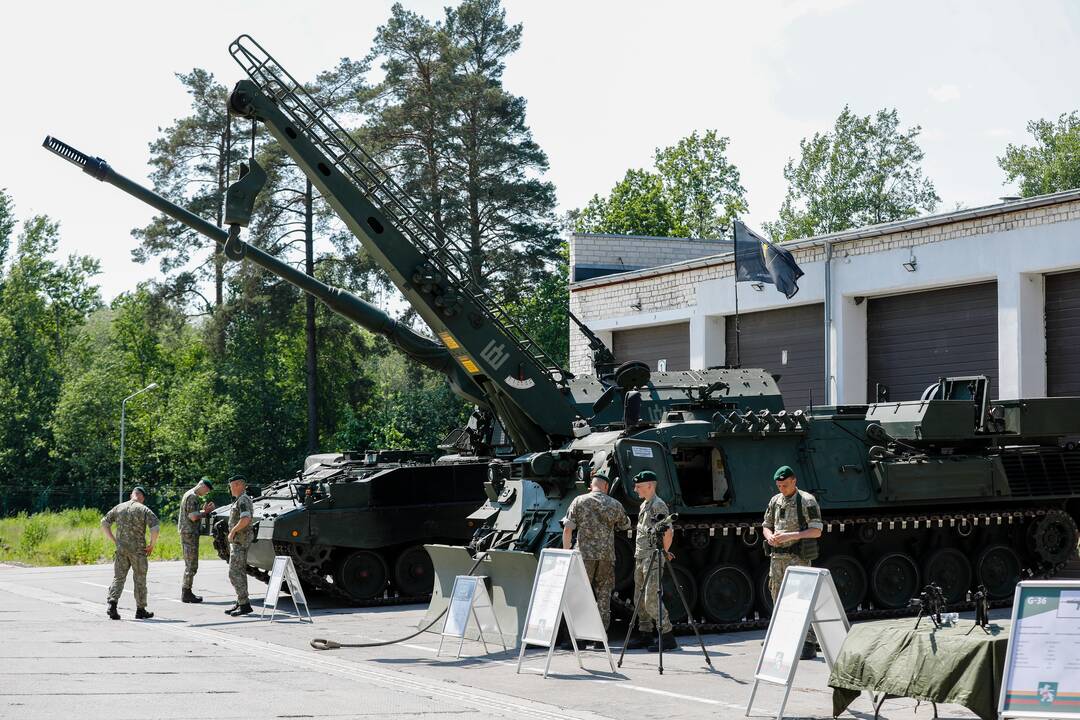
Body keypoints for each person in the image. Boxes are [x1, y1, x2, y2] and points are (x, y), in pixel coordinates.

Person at [561, 471, 631, 646]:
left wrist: (566, 550)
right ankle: (600, 637)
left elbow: (568, 529)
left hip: (583, 555)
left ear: (591, 485)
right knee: (604, 594)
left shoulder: (579, 501)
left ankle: (578, 638)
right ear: (606, 486)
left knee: (580, 594)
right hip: (606, 556)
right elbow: (625, 525)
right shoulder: (614, 504)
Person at [761, 465, 823, 660]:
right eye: (779, 486)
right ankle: (784, 636)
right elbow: (766, 525)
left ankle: (808, 642)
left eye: (785, 485)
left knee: (802, 599)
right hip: (777, 559)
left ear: (794, 480)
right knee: (777, 597)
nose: (782, 489)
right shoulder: (775, 501)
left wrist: (790, 535)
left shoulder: (806, 501)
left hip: (797, 559)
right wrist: (770, 536)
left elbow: (816, 530)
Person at [625, 470, 678, 652]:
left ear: (650, 486)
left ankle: (667, 636)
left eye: (638, 486)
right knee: (639, 599)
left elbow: (668, 531)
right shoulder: (644, 505)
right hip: (641, 556)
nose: (635, 489)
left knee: (651, 599)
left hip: (652, 557)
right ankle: (645, 634)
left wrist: (663, 551)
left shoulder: (658, 505)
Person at [100, 486, 160, 620]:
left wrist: (114, 540)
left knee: (118, 577)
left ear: (132, 495)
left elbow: (104, 522)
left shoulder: (119, 507)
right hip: (138, 550)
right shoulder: (144, 509)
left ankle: (112, 605)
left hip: (121, 549)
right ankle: (140, 610)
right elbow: (155, 528)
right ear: (142, 498)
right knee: (139, 578)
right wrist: (151, 545)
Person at [177, 477, 215, 603]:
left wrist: (203, 511)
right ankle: (186, 592)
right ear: (202, 486)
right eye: (207, 490)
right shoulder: (192, 497)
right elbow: (193, 517)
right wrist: (206, 512)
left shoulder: (189, 494)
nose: (206, 493)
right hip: (189, 533)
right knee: (191, 565)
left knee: (191, 564)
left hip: (188, 532)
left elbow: (192, 513)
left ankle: (186, 591)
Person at [224, 475, 255, 616]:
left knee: (234, 573)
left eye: (231, 486)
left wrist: (233, 531)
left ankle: (244, 604)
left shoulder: (243, 500)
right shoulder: (241, 499)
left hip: (240, 541)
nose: (230, 489)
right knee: (239, 572)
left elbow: (246, 518)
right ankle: (242, 602)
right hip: (239, 541)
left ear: (237, 485)